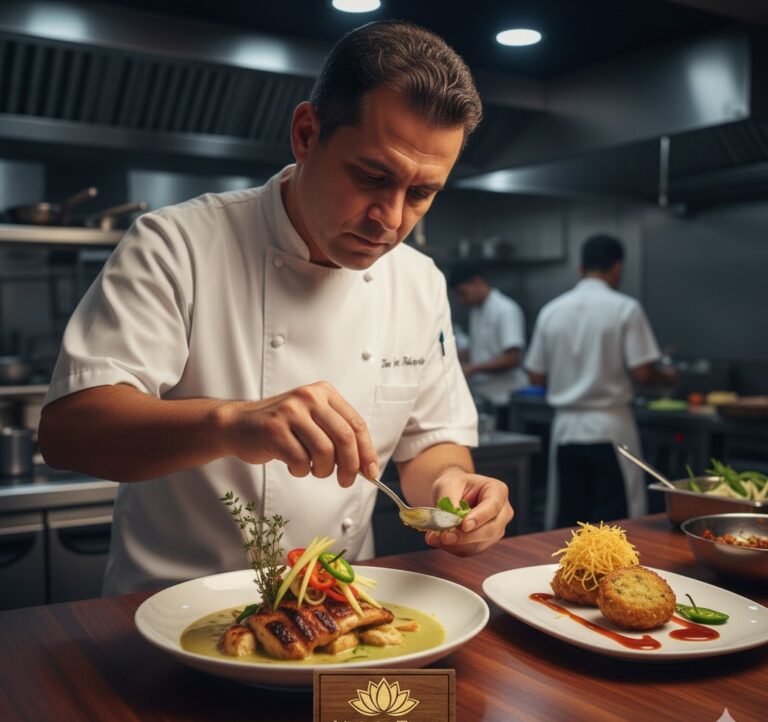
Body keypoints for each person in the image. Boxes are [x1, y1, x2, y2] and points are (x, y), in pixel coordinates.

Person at [37, 20, 514, 595]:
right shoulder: (177, 244)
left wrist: (452, 488)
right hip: (172, 612)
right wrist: (233, 423)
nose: (390, 219)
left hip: (339, 612)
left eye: (420, 193)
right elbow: (69, 432)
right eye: (371, 176)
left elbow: (430, 442)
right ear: (307, 134)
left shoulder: (419, 281)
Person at [524, 234, 676, 529]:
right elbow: (643, 373)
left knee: (568, 524)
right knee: (616, 525)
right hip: (610, 429)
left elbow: (536, 376)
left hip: (566, 430)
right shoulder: (625, 308)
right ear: (618, 267)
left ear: (581, 268)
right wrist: (666, 377)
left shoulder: (551, 311)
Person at [450, 264, 527, 430]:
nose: (462, 301)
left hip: (505, 399)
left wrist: (472, 369)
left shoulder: (505, 310)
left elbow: (513, 357)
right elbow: (480, 349)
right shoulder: (476, 312)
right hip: (484, 397)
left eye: (463, 293)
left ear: (477, 282)